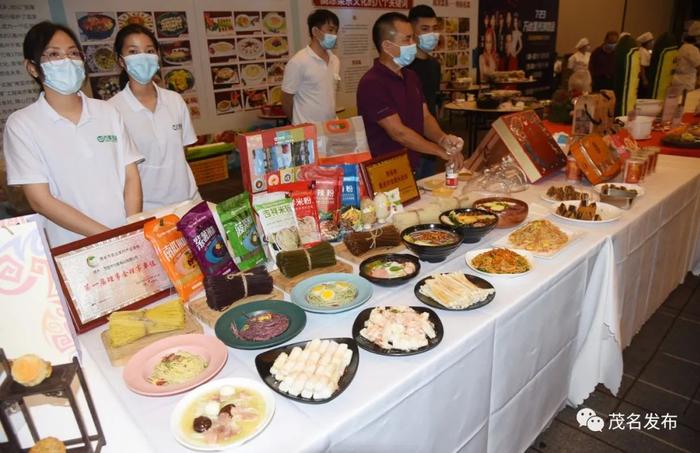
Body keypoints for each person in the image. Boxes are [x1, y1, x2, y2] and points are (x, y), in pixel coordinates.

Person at [3, 21, 142, 247]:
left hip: (125, 239)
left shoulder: (107, 112)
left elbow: (131, 177)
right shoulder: (22, 124)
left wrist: (130, 230)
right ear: (32, 67)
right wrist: (110, 237)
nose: (66, 60)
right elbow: (41, 200)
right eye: (53, 54)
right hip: (72, 248)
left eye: (73, 53)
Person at [356, 12, 464, 180]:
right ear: (387, 46)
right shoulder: (372, 83)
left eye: (413, 38)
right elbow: (398, 132)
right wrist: (438, 150)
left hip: (412, 164)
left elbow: (425, 117)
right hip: (384, 173)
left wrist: (442, 138)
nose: (413, 43)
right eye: (407, 39)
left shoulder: (411, 76)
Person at [109, 24, 200, 212]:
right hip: (146, 210)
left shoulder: (174, 100)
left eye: (149, 51)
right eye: (133, 52)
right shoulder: (111, 110)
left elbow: (184, 151)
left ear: (157, 56)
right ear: (121, 60)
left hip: (189, 201)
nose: (142, 57)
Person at [282, 9, 340, 124]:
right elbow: (286, 99)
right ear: (315, 31)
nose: (334, 35)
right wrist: (296, 122)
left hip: (330, 128)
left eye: (336, 31)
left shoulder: (335, 60)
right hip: (306, 131)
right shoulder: (298, 61)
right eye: (330, 30)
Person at [407, 5, 441, 117]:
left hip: (431, 129)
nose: (431, 34)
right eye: (425, 29)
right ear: (411, 30)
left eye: (435, 28)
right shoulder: (403, 65)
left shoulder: (434, 64)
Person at [671, 21, 700, 92]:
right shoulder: (692, 49)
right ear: (696, 37)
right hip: (686, 82)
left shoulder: (683, 46)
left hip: (677, 80)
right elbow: (698, 66)